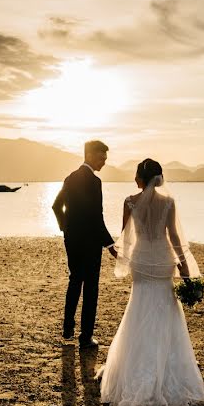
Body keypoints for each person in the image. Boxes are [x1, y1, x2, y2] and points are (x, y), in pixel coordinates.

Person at [98, 158, 204, 406]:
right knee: (166, 311)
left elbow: (126, 238)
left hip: (141, 261)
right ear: (159, 179)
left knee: (139, 309)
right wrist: (184, 269)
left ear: (139, 177)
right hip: (162, 261)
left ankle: (136, 375)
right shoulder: (168, 203)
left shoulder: (129, 201)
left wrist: (120, 258)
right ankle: (167, 377)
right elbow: (173, 237)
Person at [52, 140, 117, 349]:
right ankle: (86, 336)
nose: (104, 162)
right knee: (90, 289)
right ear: (89, 155)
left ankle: (67, 329)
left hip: (72, 241)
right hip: (90, 244)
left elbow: (56, 206)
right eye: (101, 157)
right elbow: (96, 217)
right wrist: (110, 245)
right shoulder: (94, 182)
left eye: (105, 159)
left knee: (74, 282)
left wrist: (66, 229)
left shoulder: (70, 178)